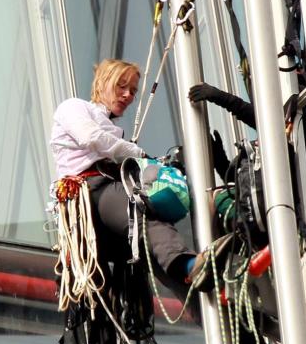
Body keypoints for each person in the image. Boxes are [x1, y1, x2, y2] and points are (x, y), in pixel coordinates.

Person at [50, 58, 210, 294]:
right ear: (103, 83)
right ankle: (187, 265)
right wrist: (139, 154)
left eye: (133, 91)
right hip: (90, 190)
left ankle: (194, 288)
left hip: (103, 195)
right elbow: (91, 137)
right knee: (144, 214)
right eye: (121, 86)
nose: (127, 95)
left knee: (145, 250)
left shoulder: (114, 131)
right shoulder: (74, 107)